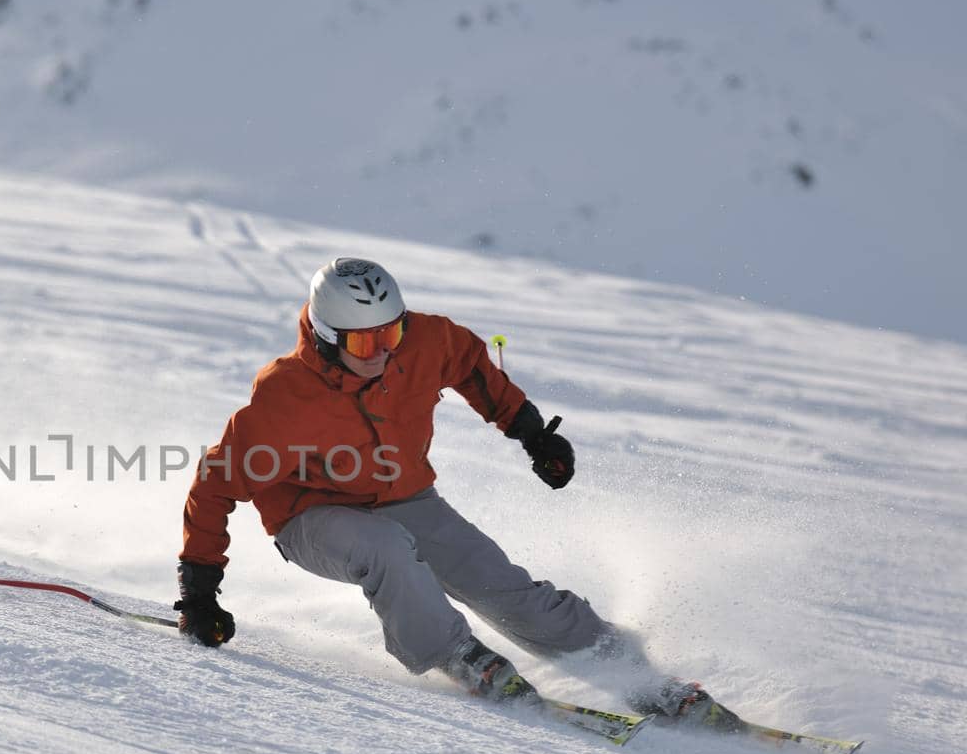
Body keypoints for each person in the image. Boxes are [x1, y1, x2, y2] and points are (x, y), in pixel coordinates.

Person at [173, 256, 739, 729]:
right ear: (324, 339)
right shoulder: (285, 396)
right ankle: (459, 657)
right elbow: (215, 485)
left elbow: (472, 366)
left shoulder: (424, 341)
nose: (382, 351)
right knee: (387, 550)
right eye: (364, 340)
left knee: (496, 582)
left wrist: (532, 433)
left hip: (405, 496)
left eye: (390, 333)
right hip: (311, 515)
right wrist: (199, 591)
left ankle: (620, 665)